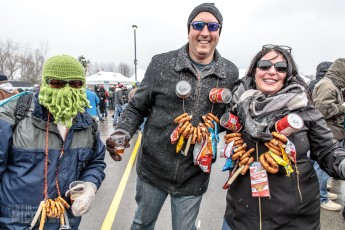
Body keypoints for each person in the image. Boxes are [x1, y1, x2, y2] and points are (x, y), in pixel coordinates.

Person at [106, 3, 238, 229]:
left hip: (194, 174)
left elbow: (228, 120)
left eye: (212, 26)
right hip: (153, 168)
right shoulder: (161, 63)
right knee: (142, 223)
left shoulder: (230, 72)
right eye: (198, 25)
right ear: (189, 30)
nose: (205, 32)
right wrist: (122, 130)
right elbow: (137, 107)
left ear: (219, 33)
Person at [221, 45, 345, 229]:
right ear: (254, 71)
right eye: (265, 65)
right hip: (240, 218)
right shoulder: (237, 106)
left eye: (280, 68)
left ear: (287, 74)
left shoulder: (304, 109)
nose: (272, 71)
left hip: (295, 220)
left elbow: (328, 151)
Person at [0, 54, 106, 229]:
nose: (66, 89)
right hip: (16, 223)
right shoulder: (12, 117)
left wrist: (90, 185)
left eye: (75, 84)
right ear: (44, 83)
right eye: (56, 83)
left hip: (65, 221)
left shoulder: (88, 124)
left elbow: (95, 162)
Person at [309, 61, 342, 211]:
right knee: (321, 167)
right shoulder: (328, 85)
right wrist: (342, 107)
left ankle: (319, 194)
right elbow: (321, 109)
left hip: (329, 130)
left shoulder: (330, 84)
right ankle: (321, 197)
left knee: (317, 166)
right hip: (328, 131)